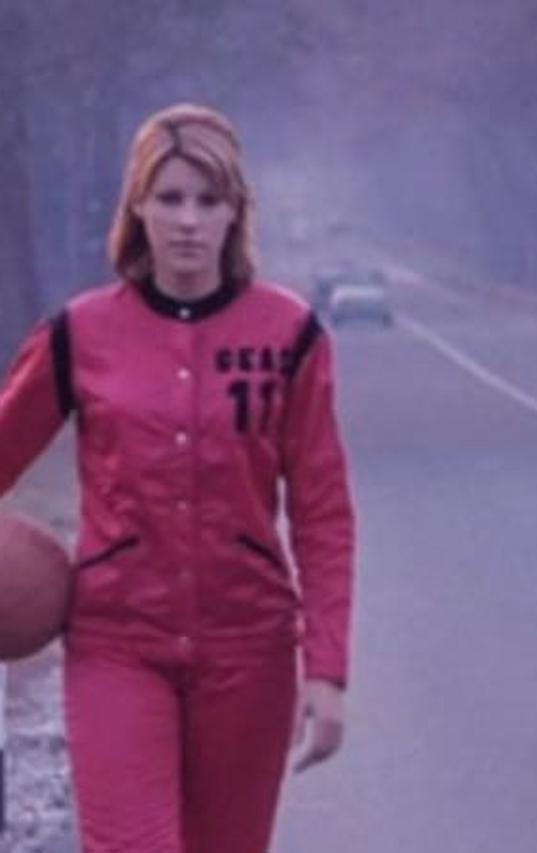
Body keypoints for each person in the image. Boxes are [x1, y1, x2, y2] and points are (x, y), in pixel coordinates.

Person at [0, 103, 356, 852]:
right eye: (169, 198)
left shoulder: (289, 336)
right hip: (117, 645)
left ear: (235, 212)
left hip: (250, 654)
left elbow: (322, 512)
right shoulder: (80, 334)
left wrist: (326, 668)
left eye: (208, 199)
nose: (188, 220)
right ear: (137, 207)